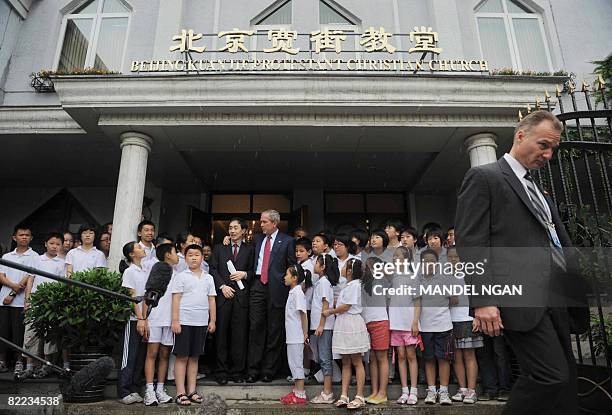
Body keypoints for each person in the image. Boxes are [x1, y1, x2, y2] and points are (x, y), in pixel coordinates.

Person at [455, 110, 588, 415]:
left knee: (565, 385)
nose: (548, 154)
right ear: (520, 135)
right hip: (520, 300)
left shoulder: (539, 190)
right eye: (543, 145)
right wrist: (484, 301)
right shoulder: (484, 177)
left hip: (556, 299)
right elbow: (471, 243)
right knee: (549, 376)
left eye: (552, 149)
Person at [246, 210, 296, 383]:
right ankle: (253, 369)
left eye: (264, 222)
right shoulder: (257, 239)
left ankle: (269, 370)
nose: (261, 225)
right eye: (261, 222)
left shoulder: (288, 241)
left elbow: (292, 265)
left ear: (274, 223)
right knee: (256, 328)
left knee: (275, 330)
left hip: (278, 288)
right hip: (258, 285)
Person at [209, 218, 254, 384]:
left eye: (236, 228)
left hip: (241, 299)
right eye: (230, 228)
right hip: (223, 297)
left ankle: (238, 372)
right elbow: (212, 269)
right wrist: (222, 286)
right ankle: (221, 372)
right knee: (221, 336)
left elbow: (254, 270)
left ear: (243, 230)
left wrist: (245, 275)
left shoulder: (251, 249)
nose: (232, 231)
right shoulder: (220, 248)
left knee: (239, 336)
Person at [171, 244, 216, 406]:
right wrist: (175, 320)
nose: (194, 257)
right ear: (185, 258)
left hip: (201, 322)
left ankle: (192, 391)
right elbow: (175, 299)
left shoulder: (208, 277)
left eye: (197, 254)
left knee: (195, 357)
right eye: (190, 255)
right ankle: (180, 392)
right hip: (184, 321)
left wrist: (212, 321)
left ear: (202, 258)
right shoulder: (181, 276)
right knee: (182, 356)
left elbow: (212, 299)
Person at [325, 258, 369, 410]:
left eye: (345, 267)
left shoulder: (355, 285)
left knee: (357, 360)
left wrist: (330, 311)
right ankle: (344, 395)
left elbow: (346, 306)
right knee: (345, 361)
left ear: (349, 270)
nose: (342, 268)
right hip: (343, 323)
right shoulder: (348, 285)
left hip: (351, 322)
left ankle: (360, 395)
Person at [20, 232, 65, 380]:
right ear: (45, 243)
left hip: (52, 303)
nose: (54, 246)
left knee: (50, 336)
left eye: (58, 244)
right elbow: (30, 281)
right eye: (52, 243)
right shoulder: (36, 259)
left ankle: (47, 366)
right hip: (36, 302)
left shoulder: (63, 262)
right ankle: (29, 367)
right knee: (30, 335)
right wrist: (27, 300)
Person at [143, 243, 179, 406]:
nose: (177, 255)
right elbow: (148, 294)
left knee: (165, 354)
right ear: (167, 255)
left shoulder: (177, 273)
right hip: (155, 318)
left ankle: (160, 388)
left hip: (170, 320)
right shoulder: (158, 269)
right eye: (175, 252)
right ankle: (149, 390)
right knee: (152, 353)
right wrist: (144, 319)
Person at [0, 224, 38, 376]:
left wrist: (13, 293)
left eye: (27, 235)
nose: (24, 237)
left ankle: (18, 362)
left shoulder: (35, 256)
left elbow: (29, 276)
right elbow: (1, 276)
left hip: (21, 301)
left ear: (31, 238)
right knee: (3, 331)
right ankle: (2, 361)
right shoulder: (6, 256)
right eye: (21, 235)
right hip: (3, 300)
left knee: (19, 334)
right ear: (14, 237)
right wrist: (13, 286)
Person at [419, 249, 455, 406]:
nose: (428, 264)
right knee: (429, 359)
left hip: (444, 325)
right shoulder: (417, 281)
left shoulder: (445, 279)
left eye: (431, 261)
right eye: (425, 261)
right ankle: (432, 390)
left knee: (444, 358)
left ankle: (444, 391)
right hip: (425, 327)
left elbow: (455, 299)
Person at [447, 246, 482, 404]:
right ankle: (462, 389)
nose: (453, 260)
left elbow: (478, 297)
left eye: (457, 257)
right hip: (450, 320)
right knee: (457, 357)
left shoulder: (469, 275)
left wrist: (476, 316)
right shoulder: (445, 276)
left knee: (469, 355)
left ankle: (472, 390)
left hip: (468, 319)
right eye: (450, 257)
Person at [388, 246, 422, 405]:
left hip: (408, 322)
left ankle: (414, 391)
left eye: (398, 256)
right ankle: (404, 390)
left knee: (411, 356)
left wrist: (415, 322)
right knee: (400, 356)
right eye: (394, 256)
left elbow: (417, 300)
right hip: (395, 323)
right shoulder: (392, 277)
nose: (395, 258)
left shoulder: (412, 276)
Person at [118, 241, 149, 405]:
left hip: (144, 319)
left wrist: (145, 319)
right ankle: (124, 391)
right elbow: (132, 297)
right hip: (133, 320)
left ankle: (135, 389)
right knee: (128, 356)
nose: (142, 248)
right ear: (131, 254)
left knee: (139, 356)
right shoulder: (130, 271)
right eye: (138, 247)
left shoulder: (143, 270)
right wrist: (140, 318)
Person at [309, 253, 339, 404]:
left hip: (325, 326)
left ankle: (328, 393)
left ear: (323, 267)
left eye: (316, 263)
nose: (314, 265)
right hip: (320, 325)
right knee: (322, 357)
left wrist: (321, 325)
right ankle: (326, 391)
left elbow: (326, 305)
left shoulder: (324, 283)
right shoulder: (321, 282)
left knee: (325, 358)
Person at [361, 257, 391, 405]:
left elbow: (389, 300)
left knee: (381, 357)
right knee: (371, 358)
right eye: (366, 267)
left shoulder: (383, 282)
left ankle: (383, 393)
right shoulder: (362, 284)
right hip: (366, 323)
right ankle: (374, 392)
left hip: (380, 321)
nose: (368, 269)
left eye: (371, 267)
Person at [280, 264, 310, 405]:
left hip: (297, 335)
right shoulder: (293, 292)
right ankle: (296, 391)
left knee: (297, 364)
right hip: (291, 335)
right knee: (293, 363)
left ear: (294, 278)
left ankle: (301, 394)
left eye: (287, 274)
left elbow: (303, 315)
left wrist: (305, 334)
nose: (284, 277)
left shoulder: (298, 293)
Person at [294, 237, 314, 379]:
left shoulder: (308, 267)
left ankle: (305, 370)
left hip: (306, 307)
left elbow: (303, 287)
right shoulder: (300, 264)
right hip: (301, 306)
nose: (298, 254)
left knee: (304, 340)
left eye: (301, 251)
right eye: (296, 251)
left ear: (309, 252)